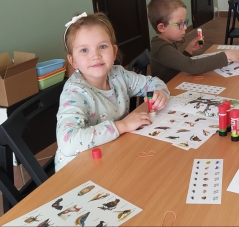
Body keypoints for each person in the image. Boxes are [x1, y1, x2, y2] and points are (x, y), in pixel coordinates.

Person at [55, 12, 170, 171]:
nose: (95, 55)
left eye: (102, 47)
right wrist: (121, 126)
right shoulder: (75, 92)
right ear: (73, 61)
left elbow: (154, 83)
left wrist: (160, 93)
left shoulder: (118, 75)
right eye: (84, 50)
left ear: (114, 52)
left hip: (113, 154)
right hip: (78, 171)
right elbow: (68, 142)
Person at [149, 0, 239, 82]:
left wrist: (189, 50)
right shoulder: (163, 49)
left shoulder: (165, 42)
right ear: (162, 27)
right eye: (180, 24)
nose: (185, 27)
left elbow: (178, 64)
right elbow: (192, 67)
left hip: (177, 82)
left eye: (185, 23)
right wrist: (226, 56)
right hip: (168, 90)